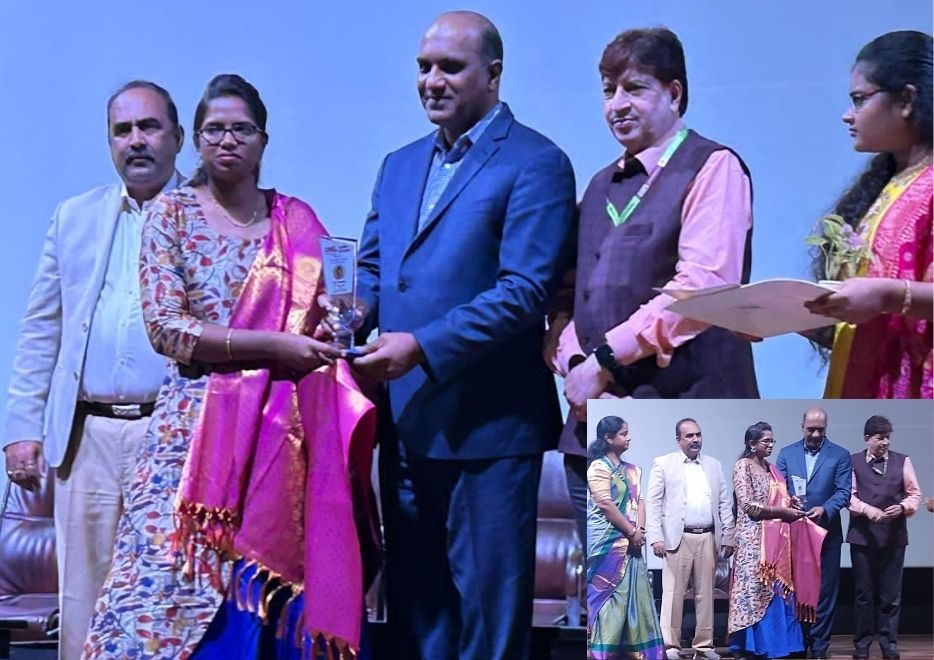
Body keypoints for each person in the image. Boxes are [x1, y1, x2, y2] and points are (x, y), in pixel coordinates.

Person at [83, 74, 375, 659]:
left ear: (263, 140)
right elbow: (168, 328)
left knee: (272, 592)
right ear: (195, 141)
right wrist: (273, 346)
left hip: (280, 434)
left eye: (241, 129)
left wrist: (348, 313)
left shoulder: (294, 220)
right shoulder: (172, 214)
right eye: (214, 130)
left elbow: (328, 311)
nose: (227, 140)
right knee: (161, 594)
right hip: (191, 441)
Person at [345, 11, 577, 659]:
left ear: (493, 75)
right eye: (424, 67)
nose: (432, 80)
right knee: (418, 617)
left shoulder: (537, 162)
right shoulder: (398, 165)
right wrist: (349, 311)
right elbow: (373, 269)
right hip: (407, 424)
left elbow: (523, 292)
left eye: (450, 67)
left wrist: (420, 346)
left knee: (488, 625)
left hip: (489, 434)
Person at [3, 80, 183, 660]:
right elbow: (42, 329)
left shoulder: (206, 216)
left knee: (167, 599)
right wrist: (22, 428)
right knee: (84, 601)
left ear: (178, 138)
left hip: (173, 435)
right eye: (122, 130)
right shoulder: (75, 216)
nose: (136, 141)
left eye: (149, 127)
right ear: (110, 142)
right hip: (88, 437)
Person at [546, 26, 758, 428]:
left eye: (634, 89)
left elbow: (702, 288)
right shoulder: (599, 185)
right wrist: (577, 366)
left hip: (689, 416)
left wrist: (604, 361)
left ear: (674, 94)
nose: (617, 105)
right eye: (609, 91)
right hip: (595, 418)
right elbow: (566, 299)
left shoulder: (712, 166)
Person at [804, 30, 933, 398]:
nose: (848, 116)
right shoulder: (886, 189)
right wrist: (780, 317)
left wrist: (886, 296)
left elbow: (888, 303)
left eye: (859, 100)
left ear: (906, 100)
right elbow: (874, 326)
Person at [728, 422, 826, 660]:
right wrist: (783, 512)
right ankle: (752, 645)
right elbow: (748, 505)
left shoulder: (771, 469)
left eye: (772, 441)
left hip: (776, 540)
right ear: (752, 444)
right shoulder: (743, 466)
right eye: (766, 441)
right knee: (754, 591)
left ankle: (780, 644)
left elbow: (778, 500)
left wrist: (791, 503)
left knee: (776, 590)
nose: (771, 445)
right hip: (752, 541)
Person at [645, 418, 736, 660]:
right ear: (678, 440)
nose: (695, 439)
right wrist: (655, 537)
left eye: (698, 434)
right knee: (673, 594)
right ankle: (671, 646)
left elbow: (724, 502)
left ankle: (704, 647)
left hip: (707, 536)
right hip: (678, 538)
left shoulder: (714, 465)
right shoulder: (664, 463)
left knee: (705, 595)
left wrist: (729, 534)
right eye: (689, 436)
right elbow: (653, 503)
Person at [775, 407, 852, 659]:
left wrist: (825, 509)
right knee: (795, 587)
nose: (816, 434)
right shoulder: (786, 453)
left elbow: (843, 491)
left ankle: (819, 645)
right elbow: (778, 489)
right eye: (811, 429)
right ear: (802, 426)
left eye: (821, 429)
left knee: (826, 590)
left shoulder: (840, 455)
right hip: (794, 532)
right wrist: (789, 501)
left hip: (827, 533)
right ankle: (798, 641)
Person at [587, 416, 664, 660]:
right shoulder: (598, 467)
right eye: (623, 434)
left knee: (634, 596)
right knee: (610, 597)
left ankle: (636, 652)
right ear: (608, 438)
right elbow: (604, 504)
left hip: (632, 543)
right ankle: (603, 652)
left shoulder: (632, 470)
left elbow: (639, 501)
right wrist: (631, 532)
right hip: (607, 544)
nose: (628, 438)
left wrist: (639, 530)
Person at [847, 415, 921, 659]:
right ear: (867, 438)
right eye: (880, 438)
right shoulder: (854, 461)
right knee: (864, 595)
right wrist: (868, 510)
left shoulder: (902, 461)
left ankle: (889, 643)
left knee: (891, 594)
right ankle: (862, 644)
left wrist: (902, 507)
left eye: (888, 437)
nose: (885, 442)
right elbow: (849, 496)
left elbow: (914, 494)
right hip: (862, 538)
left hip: (894, 537)